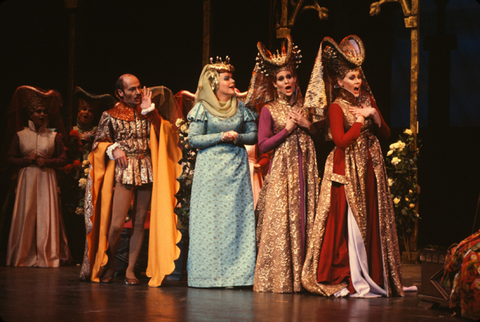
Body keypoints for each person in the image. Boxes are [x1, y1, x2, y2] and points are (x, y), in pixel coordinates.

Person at [301, 35, 404, 297]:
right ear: (338, 81)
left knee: (371, 219)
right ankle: (346, 274)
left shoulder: (367, 103)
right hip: (347, 169)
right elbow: (340, 141)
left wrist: (374, 115)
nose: (357, 82)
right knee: (350, 224)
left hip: (370, 168)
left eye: (358, 77)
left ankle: (376, 273)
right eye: (351, 78)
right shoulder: (336, 107)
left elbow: (387, 133)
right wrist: (360, 121)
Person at [79, 74, 182, 287]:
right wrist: (112, 149)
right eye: (131, 89)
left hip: (145, 167)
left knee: (138, 222)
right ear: (120, 93)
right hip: (124, 170)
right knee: (116, 225)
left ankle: (130, 269)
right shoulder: (110, 115)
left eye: (138, 88)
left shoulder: (147, 111)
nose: (136, 93)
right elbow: (98, 142)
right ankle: (110, 264)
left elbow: (163, 132)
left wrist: (149, 110)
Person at [245, 35, 320, 293]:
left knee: (306, 216)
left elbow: (321, 136)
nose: (286, 82)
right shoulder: (269, 109)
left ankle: (306, 274)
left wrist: (306, 125)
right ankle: (281, 277)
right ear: (274, 84)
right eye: (281, 79)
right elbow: (263, 145)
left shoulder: (306, 106)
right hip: (282, 171)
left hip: (306, 169)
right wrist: (287, 129)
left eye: (289, 76)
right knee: (281, 220)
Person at [187, 57, 257, 288]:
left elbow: (254, 135)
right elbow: (194, 139)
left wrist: (238, 137)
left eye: (231, 77)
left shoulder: (241, 108)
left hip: (236, 171)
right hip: (211, 172)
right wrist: (221, 136)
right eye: (227, 78)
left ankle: (237, 275)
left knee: (234, 221)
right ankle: (208, 275)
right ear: (214, 83)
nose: (232, 81)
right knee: (211, 221)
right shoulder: (202, 108)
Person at [5, 85, 71, 267]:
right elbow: (10, 158)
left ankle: (47, 255)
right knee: (26, 214)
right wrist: (27, 159)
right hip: (27, 179)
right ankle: (23, 255)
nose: (42, 115)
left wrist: (47, 162)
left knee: (46, 214)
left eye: (44, 112)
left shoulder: (53, 135)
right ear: (30, 114)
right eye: (37, 111)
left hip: (46, 179)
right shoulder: (21, 135)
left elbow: (64, 159)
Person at [73, 86, 116, 161]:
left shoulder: (97, 130)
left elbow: (105, 146)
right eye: (84, 109)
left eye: (90, 111)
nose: (87, 112)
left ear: (93, 117)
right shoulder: (73, 129)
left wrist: (92, 140)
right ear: (79, 113)